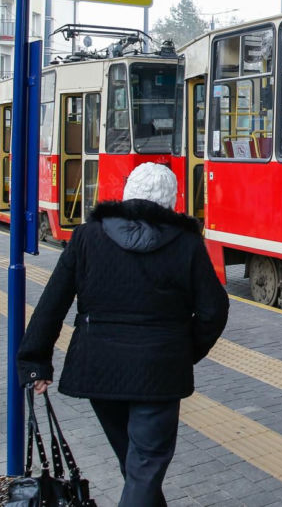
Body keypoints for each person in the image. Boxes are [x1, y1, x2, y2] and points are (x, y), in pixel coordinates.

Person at [18, 162, 229, 507]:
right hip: (158, 373)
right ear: (171, 201)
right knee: (144, 467)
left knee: (137, 468)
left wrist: (34, 361)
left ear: (128, 192)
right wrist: (183, 351)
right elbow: (214, 310)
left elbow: (53, 300)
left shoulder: (88, 235)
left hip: (99, 367)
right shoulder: (187, 243)